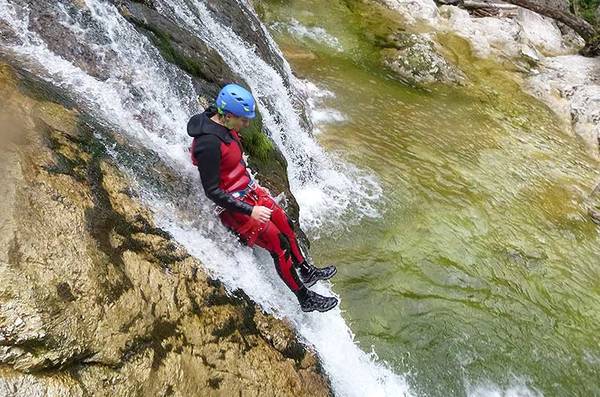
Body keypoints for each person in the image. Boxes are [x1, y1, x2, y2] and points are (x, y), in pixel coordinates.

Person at [187, 83, 338, 312]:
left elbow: (235, 165)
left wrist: (255, 188)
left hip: (248, 192)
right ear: (227, 116)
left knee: (287, 224)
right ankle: (304, 298)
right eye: (243, 119)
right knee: (280, 245)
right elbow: (212, 191)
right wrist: (251, 211)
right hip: (235, 209)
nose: (247, 124)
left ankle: (306, 270)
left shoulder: (223, 124)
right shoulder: (208, 144)